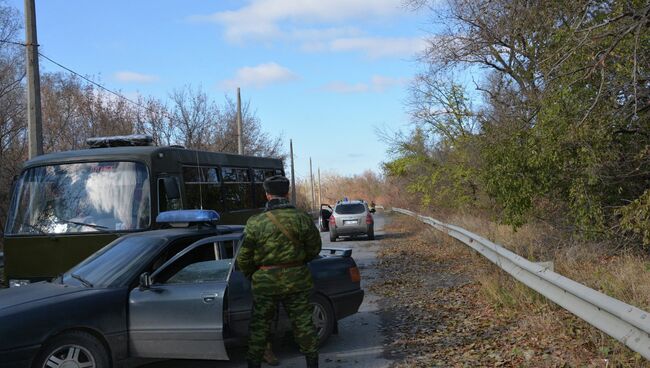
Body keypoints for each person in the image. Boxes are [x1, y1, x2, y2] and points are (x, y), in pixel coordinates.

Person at [237, 175, 322, 368]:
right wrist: (298, 263)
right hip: (297, 280)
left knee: (259, 327)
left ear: (267, 195)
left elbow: (244, 256)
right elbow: (314, 248)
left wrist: (254, 274)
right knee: (304, 324)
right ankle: (312, 363)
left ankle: (254, 364)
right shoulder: (302, 218)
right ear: (287, 193)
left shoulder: (256, 222)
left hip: (265, 281)